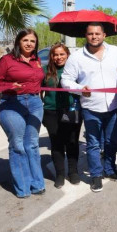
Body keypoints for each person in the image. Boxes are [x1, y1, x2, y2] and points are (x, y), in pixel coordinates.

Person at [61, 22, 117, 193]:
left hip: (114, 105)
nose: (94, 37)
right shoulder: (76, 57)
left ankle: (110, 170)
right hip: (90, 108)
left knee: (111, 142)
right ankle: (96, 175)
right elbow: (66, 79)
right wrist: (79, 89)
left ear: (104, 35)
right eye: (91, 34)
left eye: (98, 33)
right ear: (86, 35)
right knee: (93, 144)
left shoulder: (115, 52)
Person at [0, 29, 46, 199]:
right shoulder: (7, 60)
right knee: (18, 144)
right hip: (11, 103)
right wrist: (9, 85)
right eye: (25, 40)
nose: (29, 44)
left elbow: (41, 80)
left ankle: (37, 184)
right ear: (18, 42)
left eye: (32, 41)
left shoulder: (36, 60)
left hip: (34, 103)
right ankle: (23, 187)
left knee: (31, 143)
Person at [41, 43, 81, 188]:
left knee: (72, 141)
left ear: (67, 55)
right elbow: (36, 88)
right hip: (51, 112)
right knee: (56, 143)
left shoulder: (74, 70)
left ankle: (73, 172)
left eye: (62, 54)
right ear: (51, 56)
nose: (59, 57)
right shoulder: (45, 70)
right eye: (55, 54)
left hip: (72, 110)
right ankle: (60, 174)